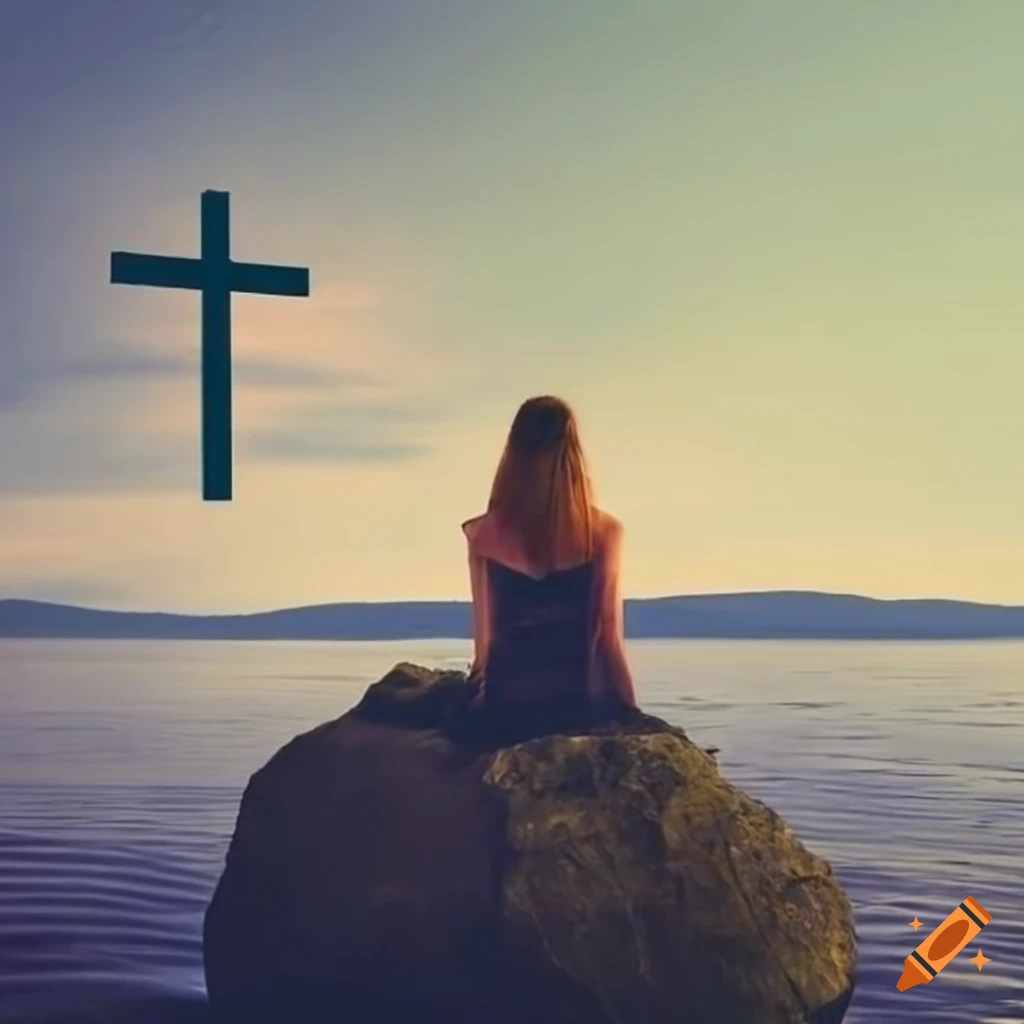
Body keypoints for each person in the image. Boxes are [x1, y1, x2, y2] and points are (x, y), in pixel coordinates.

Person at [446, 395, 638, 746]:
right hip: (576, 708)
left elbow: (484, 645)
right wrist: (631, 713)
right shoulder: (604, 533)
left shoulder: (481, 534)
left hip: (507, 712)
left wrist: (470, 705)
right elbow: (608, 636)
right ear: (573, 452)